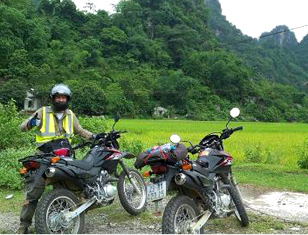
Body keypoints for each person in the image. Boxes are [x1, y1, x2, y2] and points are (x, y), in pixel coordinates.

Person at [17, 84, 95, 234]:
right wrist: (32, 123)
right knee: (34, 191)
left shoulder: (70, 115)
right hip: (44, 157)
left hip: (64, 157)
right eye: (58, 97)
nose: (60, 100)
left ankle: (59, 219)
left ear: (67, 99)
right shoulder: (42, 112)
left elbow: (79, 130)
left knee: (72, 187)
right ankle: (23, 225)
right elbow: (22, 127)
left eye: (63, 97)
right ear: (53, 98)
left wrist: (93, 136)